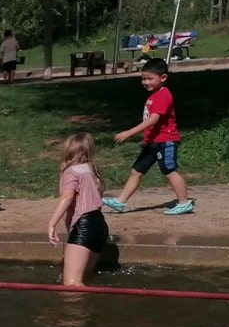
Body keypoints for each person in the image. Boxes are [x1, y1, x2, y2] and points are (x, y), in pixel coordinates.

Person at [105, 58, 193, 216]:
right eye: (143, 78)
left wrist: (129, 132)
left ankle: (184, 202)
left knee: (169, 171)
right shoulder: (154, 95)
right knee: (136, 171)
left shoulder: (163, 95)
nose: (145, 82)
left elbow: (153, 119)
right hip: (152, 143)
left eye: (149, 78)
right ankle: (120, 202)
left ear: (163, 78)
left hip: (165, 141)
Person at [46, 133, 108, 287]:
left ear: (67, 151)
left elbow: (67, 198)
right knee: (84, 279)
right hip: (100, 225)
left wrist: (52, 224)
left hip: (84, 225)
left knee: (72, 285)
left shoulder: (71, 172)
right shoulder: (93, 170)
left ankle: (74, 312)